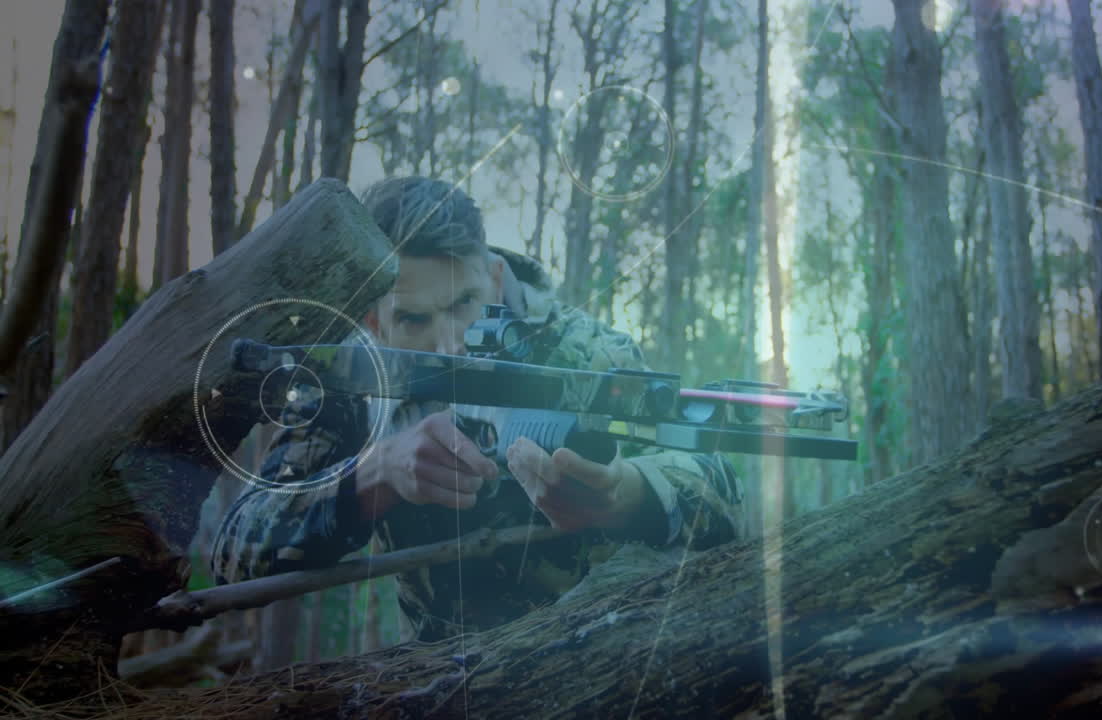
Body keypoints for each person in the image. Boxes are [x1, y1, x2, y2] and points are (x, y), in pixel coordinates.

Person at [211, 176, 745, 642]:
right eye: (414, 319)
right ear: (372, 320)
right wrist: (379, 474)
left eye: (463, 304)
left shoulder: (582, 351)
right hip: (440, 686)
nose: (450, 345)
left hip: (604, 662)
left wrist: (623, 492)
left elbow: (722, 492)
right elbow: (235, 556)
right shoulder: (353, 377)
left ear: (493, 277)